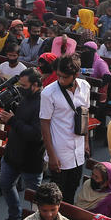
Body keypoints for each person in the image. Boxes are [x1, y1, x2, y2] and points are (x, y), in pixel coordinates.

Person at [0, 68, 45, 220]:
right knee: (5, 184)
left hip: (31, 159)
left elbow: (36, 135)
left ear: (36, 85)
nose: (21, 88)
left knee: (36, 196)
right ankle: (15, 217)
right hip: (13, 154)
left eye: (24, 86)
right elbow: (22, 116)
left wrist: (13, 120)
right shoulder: (26, 97)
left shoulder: (43, 103)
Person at [40, 54, 91, 202]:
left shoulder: (85, 87)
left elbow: (85, 116)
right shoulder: (48, 93)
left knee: (72, 191)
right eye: (59, 76)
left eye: (65, 77)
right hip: (59, 153)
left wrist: (86, 142)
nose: (61, 80)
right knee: (56, 197)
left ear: (76, 74)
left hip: (78, 151)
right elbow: (44, 125)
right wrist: (51, 156)